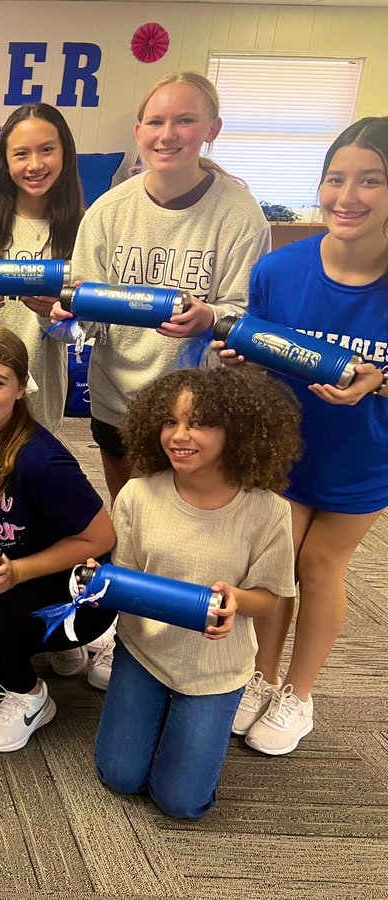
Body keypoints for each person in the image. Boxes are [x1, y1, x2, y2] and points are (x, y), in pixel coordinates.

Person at [217, 117, 388, 755]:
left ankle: (300, 693)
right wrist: (247, 358)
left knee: (320, 566)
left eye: (370, 181)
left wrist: (378, 382)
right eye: (336, 179)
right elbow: (265, 350)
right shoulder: (278, 270)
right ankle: (260, 679)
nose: (348, 196)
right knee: (277, 562)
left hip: (363, 454)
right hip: (285, 445)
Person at [94, 367, 299, 818]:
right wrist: (98, 581)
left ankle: (185, 719)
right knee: (119, 776)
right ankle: (155, 708)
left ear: (237, 431)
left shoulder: (268, 511)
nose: (179, 436)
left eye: (199, 423)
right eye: (170, 421)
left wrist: (237, 601)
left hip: (216, 668)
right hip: (146, 650)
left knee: (182, 802)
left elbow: (270, 598)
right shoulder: (137, 496)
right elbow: (124, 579)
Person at [56, 71, 270, 501]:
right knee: (131, 521)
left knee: (193, 527)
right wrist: (69, 316)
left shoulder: (241, 216)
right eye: (155, 122)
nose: (167, 135)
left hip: (202, 408)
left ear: (212, 129)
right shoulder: (108, 212)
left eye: (185, 121)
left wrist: (209, 317)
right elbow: (87, 321)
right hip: (119, 399)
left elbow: (249, 314)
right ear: (139, 132)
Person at [0, 326, 116, 751]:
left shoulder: (41, 460)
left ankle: (33, 697)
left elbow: (102, 538)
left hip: (73, 593)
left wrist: (18, 572)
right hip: (5, 585)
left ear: (19, 388)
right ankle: (30, 646)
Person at [0, 103, 85, 436]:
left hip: (42, 402)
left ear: (65, 153)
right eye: (21, 154)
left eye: (47, 150)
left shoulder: (85, 230)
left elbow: (86, 332)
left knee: (31, 484)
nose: (35, 165)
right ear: (5, 163)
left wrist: (52, 316)